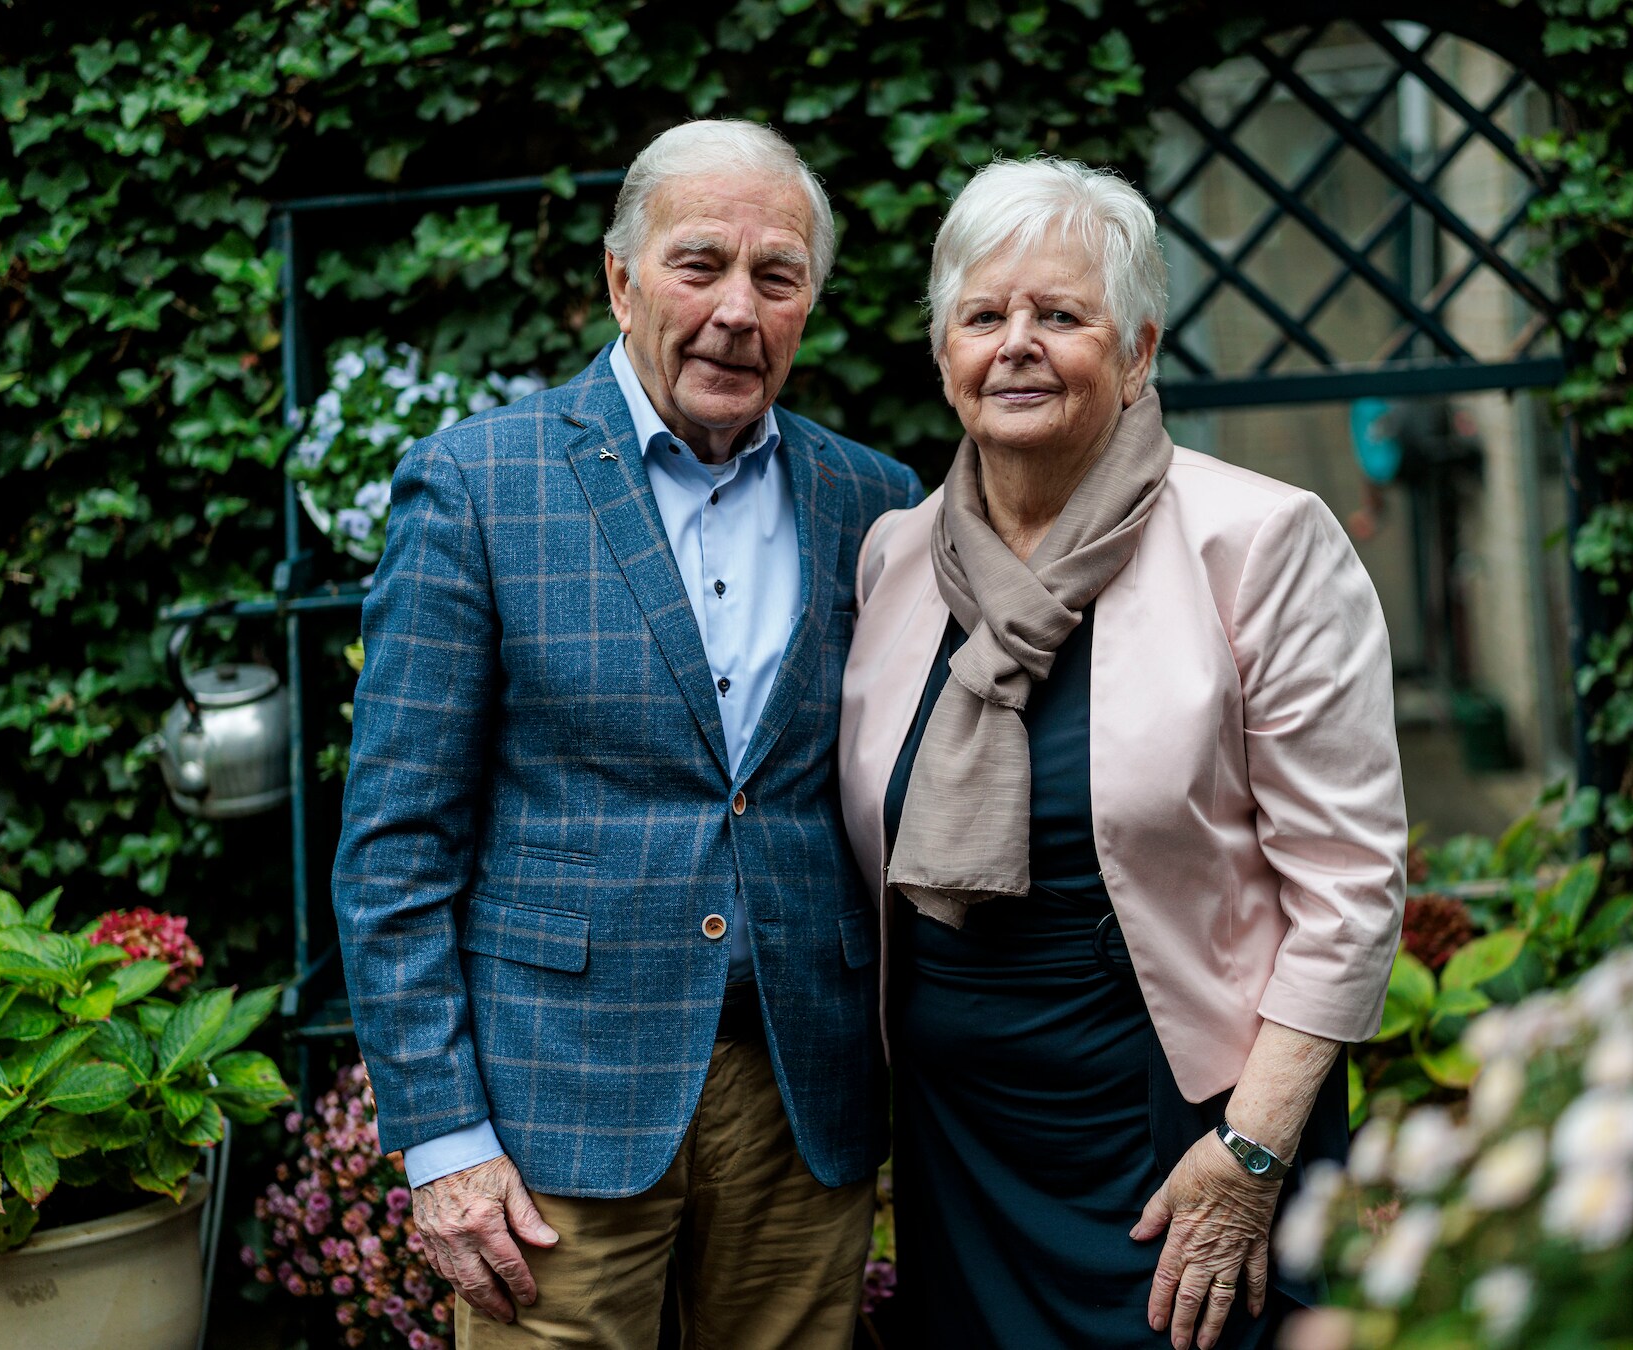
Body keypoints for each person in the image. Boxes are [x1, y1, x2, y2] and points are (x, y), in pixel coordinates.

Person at [334, 119, 922, 1350]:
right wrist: (442, 1141)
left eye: (777, 276)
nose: (736, 312)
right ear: (621, 279)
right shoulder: (478, 488)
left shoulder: (872, 499)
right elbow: (396, 847)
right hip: (558, 1110)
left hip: (798, 1098)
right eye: (699, 265)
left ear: (811, 299)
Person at [838, 157, 1407, 1350]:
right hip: (962, 1147)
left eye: (1061, 315)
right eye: (984, 316)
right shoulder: (894, 560)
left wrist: (1254, 1148)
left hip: (1181, 1134)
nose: (1017, 345)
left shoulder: (1258, 542)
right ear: (945, 355)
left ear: (1138, 350)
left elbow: (1351, 886)